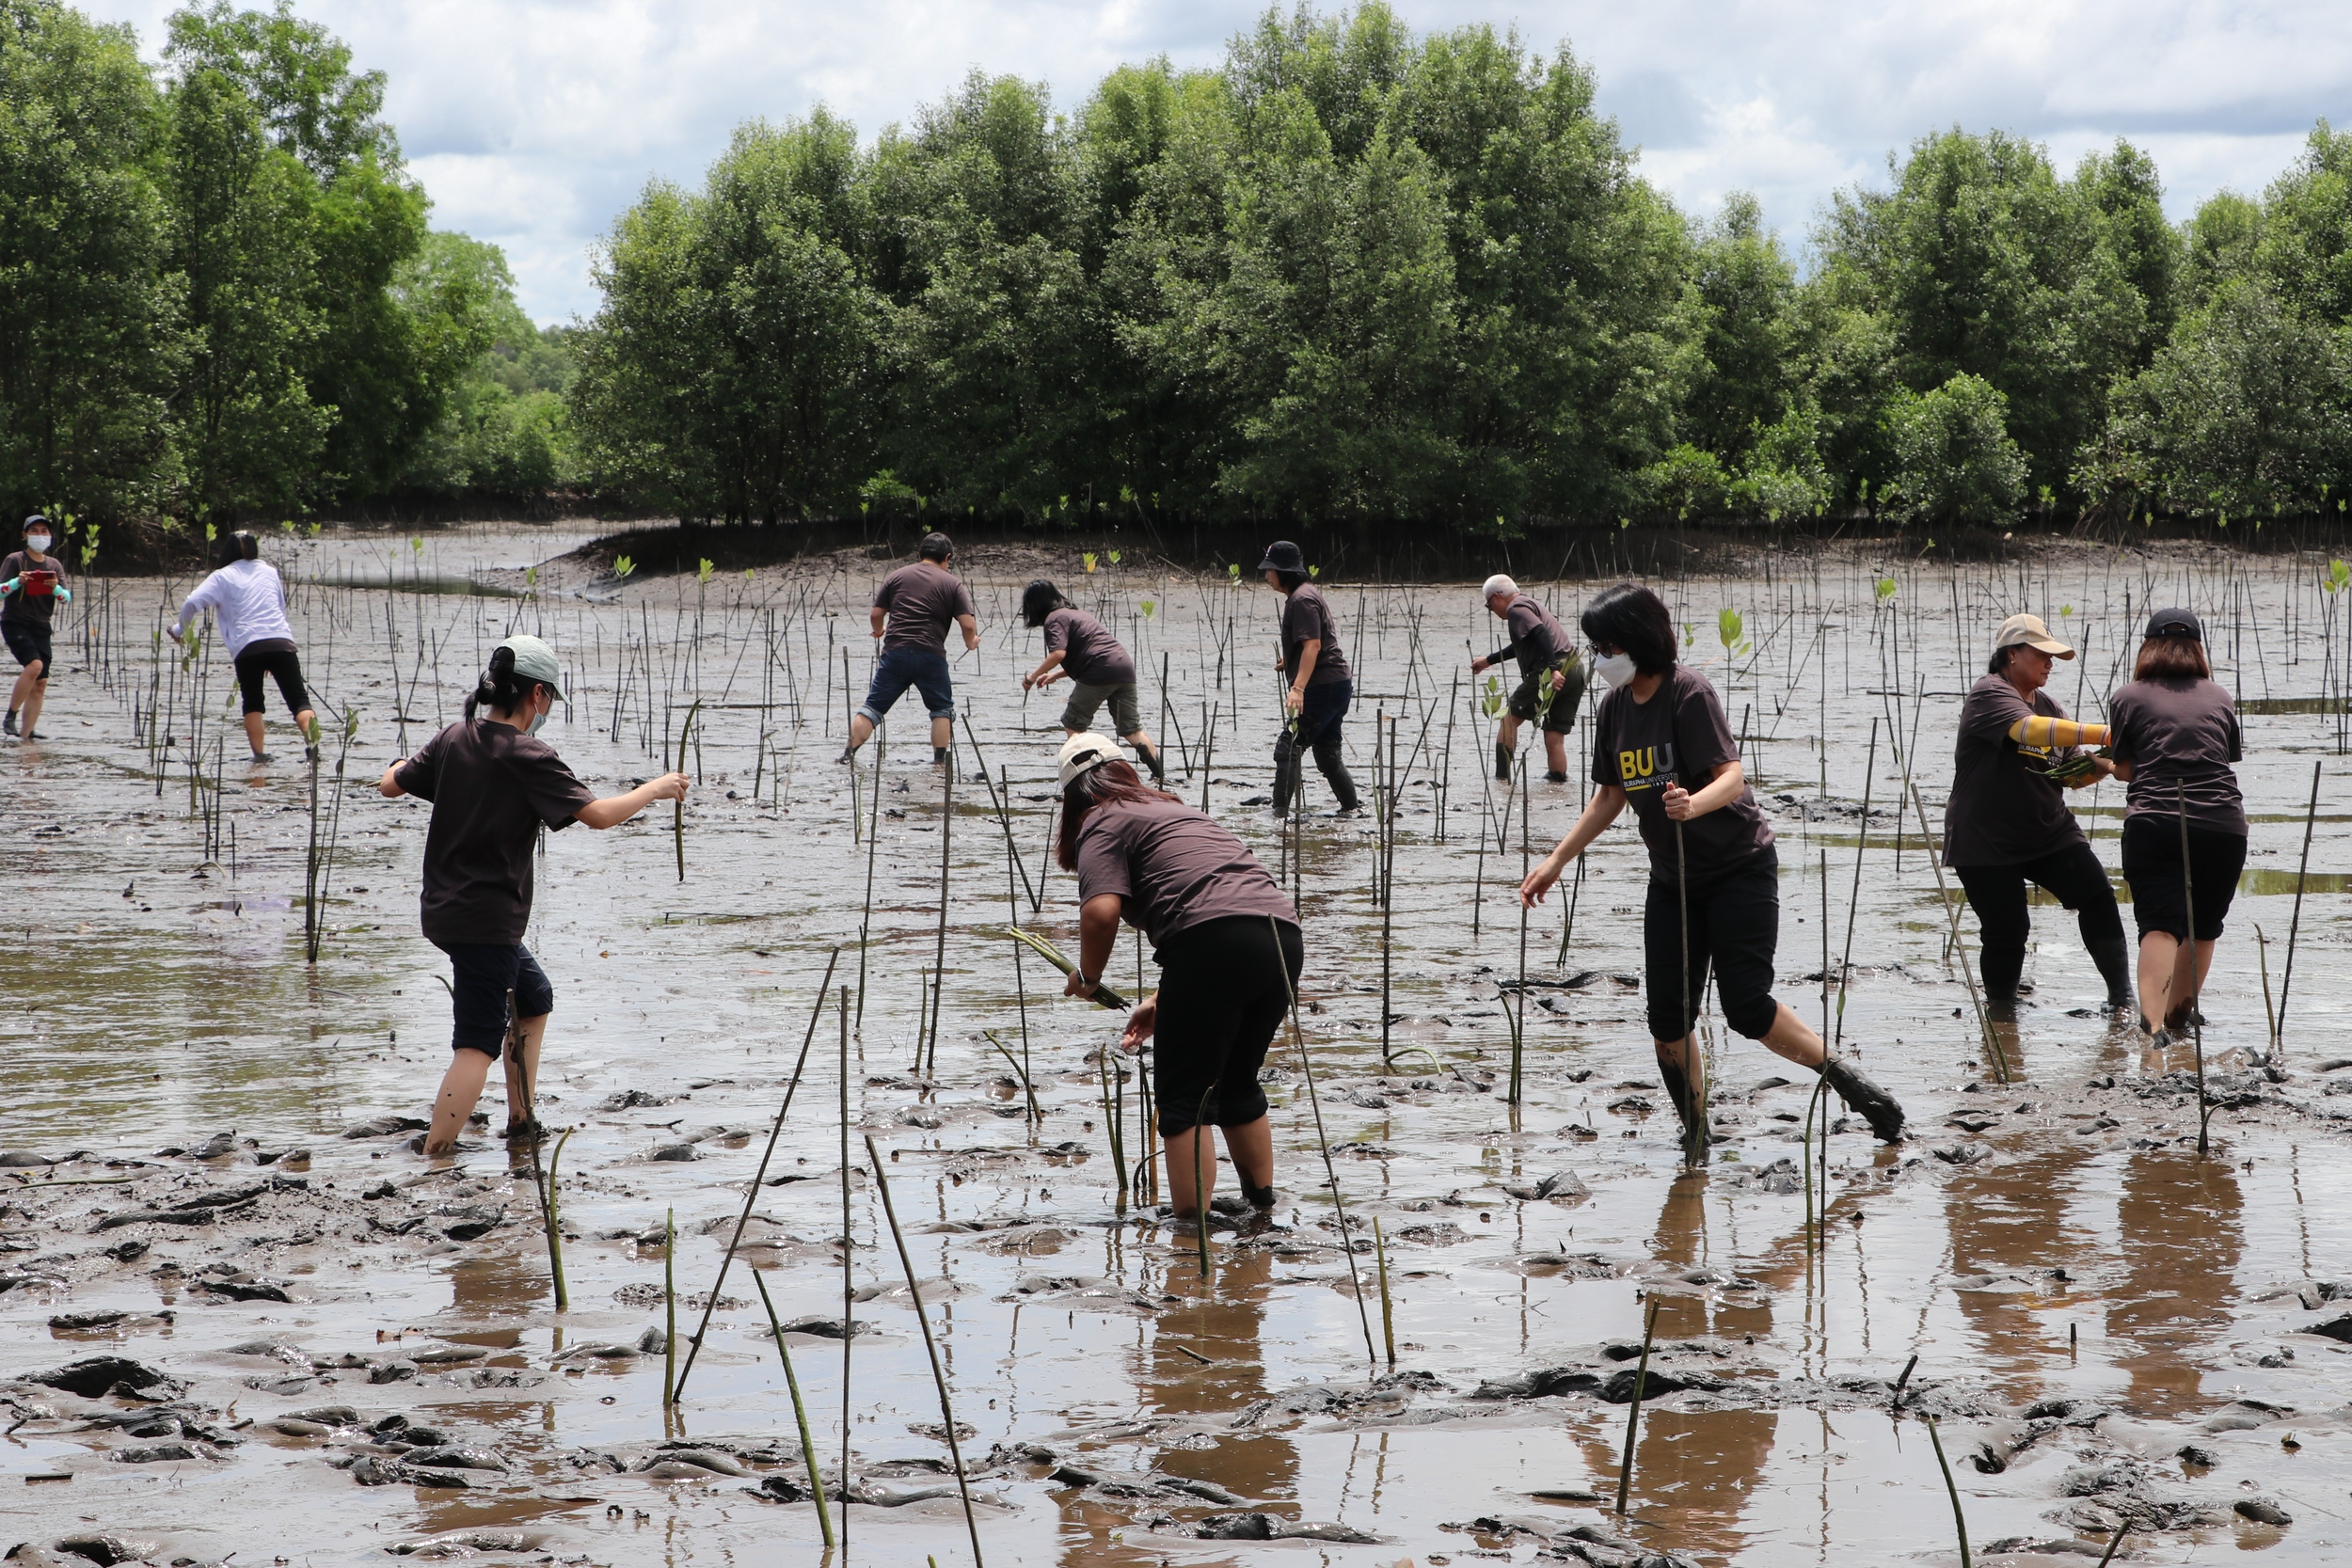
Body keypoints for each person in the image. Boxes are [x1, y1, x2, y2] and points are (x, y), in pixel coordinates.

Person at [1518, 583, 1903, 1156]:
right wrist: (1555, 860)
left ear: (1638, 641)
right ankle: (1695, 1136)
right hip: (1672, 880)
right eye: (1594, 647)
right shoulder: (1613, 707)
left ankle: (1848, 1080)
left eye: (1607, 647)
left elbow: (1732, 777)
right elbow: (1609, 796)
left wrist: (1692, 804)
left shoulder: (1688, 692)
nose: (1598, 659)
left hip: (1737, 868)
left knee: (1746, 1007)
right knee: (1667, 1018)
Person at [379, 634, 687, 1157]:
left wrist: (407, 761)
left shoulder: (454, 737)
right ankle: (435, 1158)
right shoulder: (529, 755)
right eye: (549, 699)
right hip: (488, 920)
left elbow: (391, 784)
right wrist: (653, 789)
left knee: (534, 998)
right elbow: (599, 816)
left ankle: (521, 1123)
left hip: (447, 911)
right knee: (476, 1043)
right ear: (538, 694)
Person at [1056, 732, 1303, 1220]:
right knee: (1236, 1083)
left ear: (1072, 798)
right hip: (1282, 938)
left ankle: (1192, 1233)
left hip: (1211, 944)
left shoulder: (1100, 820)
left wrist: (1087, 976)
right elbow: (1217, 899)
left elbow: (1101, 913)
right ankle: (1261, 1209)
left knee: (1185, 1100)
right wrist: (1164, 998)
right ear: (1126, 772)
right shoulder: (1179, 811)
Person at [1943, 612, 2134, 1018]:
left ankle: (2122, 999)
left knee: (2097, 895)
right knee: (2008, 928)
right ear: (2012, 654)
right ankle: (2001, 1014)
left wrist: (2106, 764)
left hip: (2047, 831)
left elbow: (2070, 776)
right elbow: (2028, 730)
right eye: (2042, 654)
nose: (2050, 663)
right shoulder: (1989, 693)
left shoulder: (2049, 706)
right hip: (1985, 838)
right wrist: (2103, 732)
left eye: (2053, 657)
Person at [2106, 609, 2246, 1046]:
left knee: (2160, 926)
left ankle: (2152, 1032)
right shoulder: (2220, 696)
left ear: (2148, 648)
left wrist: (2102, 765)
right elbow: (2222, 756)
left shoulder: (2127, 696)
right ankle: (2179, 1022)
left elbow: (2127, 769)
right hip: (2223, 824)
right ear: (2198, 650)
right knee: (2203, 927)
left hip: (2155, 819)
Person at [168, 529, 316, 764]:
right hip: (281, 641)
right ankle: (314, 748)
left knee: (253, 703)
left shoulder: (222, 576)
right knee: (299, 701)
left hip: (248, 647)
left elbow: (191, 602)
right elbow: (280, 608)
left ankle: (260, 756)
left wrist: (180, 631)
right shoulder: (270, 571)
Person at [841, 532, 978, 767]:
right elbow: (967, 624)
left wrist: (879, 631)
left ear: (920, 554)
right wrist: (970, 642)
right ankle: (939, 765)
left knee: (873, 708)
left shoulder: (896, 576)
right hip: (930, 655)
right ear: (947, 557)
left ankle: (847, 756)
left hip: (896, 653)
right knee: (941, 709)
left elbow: (876, 614)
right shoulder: (952, 583)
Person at [1020, 579, 1165, 782]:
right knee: (1132, 730)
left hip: (1099, 670)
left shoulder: (1054, 618)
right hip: (1123, 668)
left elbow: (1058, 654)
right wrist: (1054, 675)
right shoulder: (1076, 613)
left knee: (1073, 724)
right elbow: (1089, 654)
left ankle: (1081, 778)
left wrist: (1032, 676)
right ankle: (1160, 776)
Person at [1260, 540, 1359, 815]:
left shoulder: (1301, 599)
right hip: (1337, 684)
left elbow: (1313, 646)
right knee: (1327, 755)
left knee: (1288, 748)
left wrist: (1298, 688)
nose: (1266, 575)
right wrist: (1290, 658)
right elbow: (1313, 642)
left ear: (1284, 571)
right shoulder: (1305, 594)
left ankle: (1279, 816)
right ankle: (1351, 811)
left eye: (1269, 569)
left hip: (1322, 686)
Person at [1470, 574, 1587, 783]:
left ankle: (1501, 780)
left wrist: (1552, 669)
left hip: (1555, 668)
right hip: (1574, 667)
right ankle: (1557, 781)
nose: (1492, 610)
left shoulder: (1515, 608)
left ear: (1496, 597)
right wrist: (1489, 660)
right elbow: (1523, 643)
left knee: (1509, 719)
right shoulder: (1529, 603)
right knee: (1554, 731)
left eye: (1489, 606)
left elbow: (1542, 633)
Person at [3, 515, 70, 740]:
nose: (40, 535)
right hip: (16, 622)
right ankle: (10, 716)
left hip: (41, 625)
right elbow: (0, 591)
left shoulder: (54, 565)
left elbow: (66, 598)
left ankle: (26, 737)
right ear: (25, 535)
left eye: (44, 531)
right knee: (34, 666)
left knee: (40, 682)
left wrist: (55, 587)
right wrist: (17, 582)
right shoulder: (15, 560)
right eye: (34, 531)